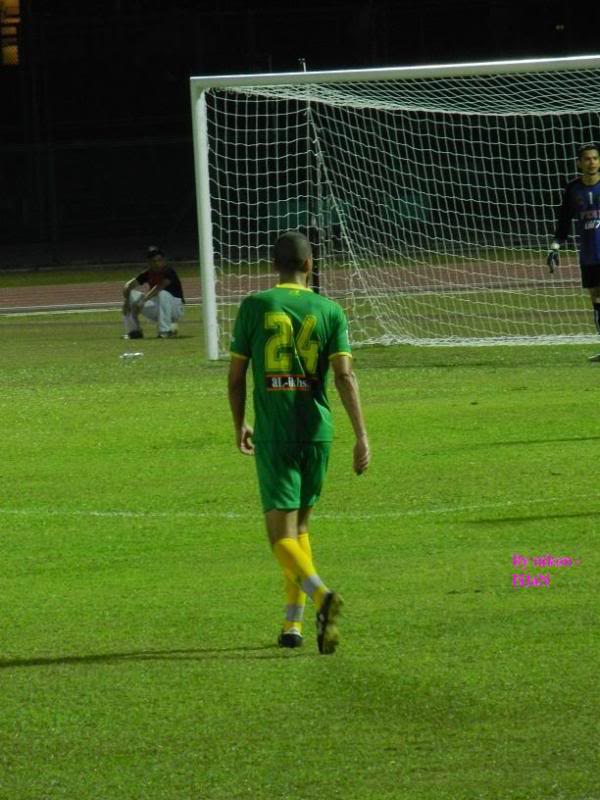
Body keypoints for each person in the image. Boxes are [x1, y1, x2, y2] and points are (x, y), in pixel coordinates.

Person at [228, 231, 370, 655]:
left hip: (276, 432)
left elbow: (236, 379)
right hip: (317, 433)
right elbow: (344, 376)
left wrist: (240, 424)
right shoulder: (330, 310)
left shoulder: (255, 306)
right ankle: (293, 625)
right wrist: (362, 434)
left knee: (279, 537)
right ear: (310, 265)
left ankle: (321, 595)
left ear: (274, 266)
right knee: (301, 528)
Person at [547, 143, 600, 361]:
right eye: (586, 159)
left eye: (595, 158)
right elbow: (564, 221)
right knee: (596, 299)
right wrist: (555, 246)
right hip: (589, 253)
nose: (591, 162)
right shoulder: (573, 189)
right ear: (579, 163)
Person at [122, 246, 185, 339]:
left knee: (163, 293)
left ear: (163, 260)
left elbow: (160, 287)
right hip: (158, 309)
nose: (157, 263)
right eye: (153, 261)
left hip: (175, 309)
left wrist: (142, 301)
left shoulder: (169, 271)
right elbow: (128, 285)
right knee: (131, 295)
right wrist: (127, 302)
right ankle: (134, 331)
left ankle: (164, 331)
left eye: (159, 260)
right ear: (149, 262)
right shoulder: (148, 273)